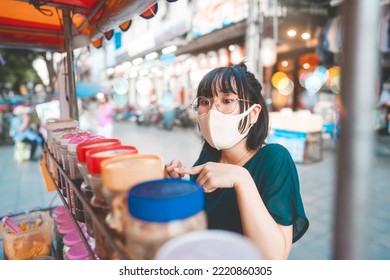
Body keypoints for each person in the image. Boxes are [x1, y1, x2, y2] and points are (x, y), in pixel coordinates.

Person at [165, 62, 309, 260]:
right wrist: (175, 186)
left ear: (253, 113)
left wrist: (241, 178)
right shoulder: (210, 153)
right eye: (205, 102)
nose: (213, 111)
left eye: (227, 100)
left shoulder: (275, 159)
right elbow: (196, 218)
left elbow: (274, 258)